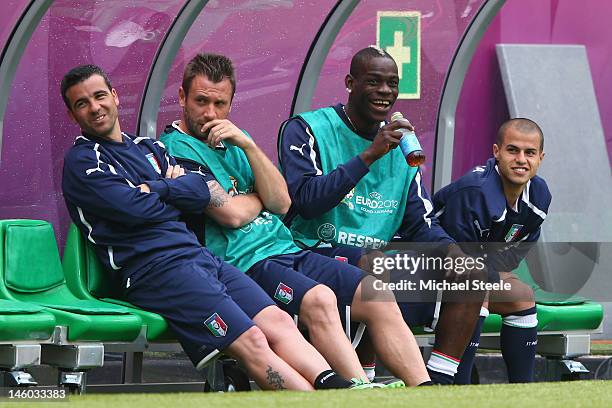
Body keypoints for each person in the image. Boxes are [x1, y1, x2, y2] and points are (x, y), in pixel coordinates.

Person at [60, 64, 365, 391]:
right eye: (82, 103)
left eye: (99, 96)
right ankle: (317, 398)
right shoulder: (83, 161)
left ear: (115, 97)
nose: (94, 108)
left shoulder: (150, 149)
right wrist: (173, 191)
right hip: (157, 270)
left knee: (280, 319)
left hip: (202, 257)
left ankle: (343, 387)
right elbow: (136, 207)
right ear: (72, 114)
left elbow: (203, 192)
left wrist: (160, 189)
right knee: (253, 340)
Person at [160, 53, 432, 387]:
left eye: (220, 103)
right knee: (320, 299)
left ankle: (426, 391)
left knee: (375, 292)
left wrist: (246, 144)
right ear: (182, 98)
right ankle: (361, 389)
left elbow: (281, 201)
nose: (211, 114)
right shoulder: (174, 150)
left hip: (284, 248)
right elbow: (230, 215)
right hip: (241, 262)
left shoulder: (233, 140)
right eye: (201, 101)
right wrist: (258, 199)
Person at [278, 46, 487, 385]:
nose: (385, 91)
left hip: (372, 260)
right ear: (350, 82)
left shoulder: (403, 146)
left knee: (470, 273)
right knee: (378, 264)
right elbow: (305, 201)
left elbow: (419, 224)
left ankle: (442, 385)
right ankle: (368, 377)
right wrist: (371, 154)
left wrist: (455, 254)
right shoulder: (306, 129)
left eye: (392, 83)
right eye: (373, 81)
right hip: (307, 251)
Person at [433, 118, 550, 383]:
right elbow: (458, 265)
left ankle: (523, 391)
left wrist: (493, 273)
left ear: (541, 158)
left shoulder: (540, 195)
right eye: (512, 150)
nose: (521, 159)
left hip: (471, 274)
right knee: (477, 289)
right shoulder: (475, 191)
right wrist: (491, 274)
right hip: (420, 269)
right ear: (496, 152)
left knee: (521, 294)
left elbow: (513, 255)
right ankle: (456, 386)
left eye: (529, 153)